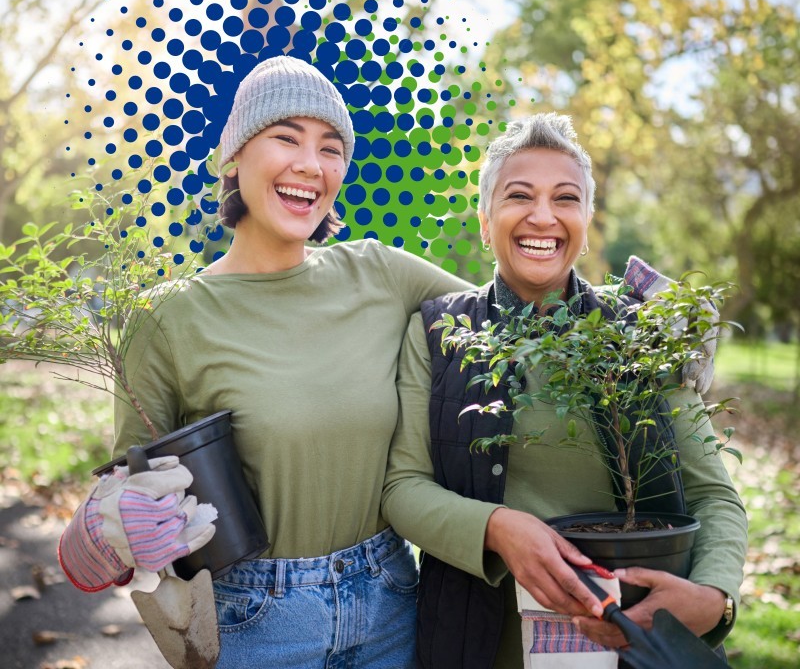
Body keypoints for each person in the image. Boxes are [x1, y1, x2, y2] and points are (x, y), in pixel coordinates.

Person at [56, 60, 718, 668]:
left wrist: (651, 323)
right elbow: (130, 494)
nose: (310, 165)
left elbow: (517, 304)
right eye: (287, 138)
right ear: (233, 155)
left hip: (393, 606)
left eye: (331, 148)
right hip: (257, 619)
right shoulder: (165, 318)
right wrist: (102, 536)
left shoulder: (379, 271)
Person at [381, 113, 747, 668]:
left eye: (566, 198)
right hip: (476, 638)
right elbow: (403, 486)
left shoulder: (643, 331)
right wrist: (497, 529)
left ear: (587, 220)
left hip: (635, 635)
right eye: (519, 195)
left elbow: (711, 494)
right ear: (485, 222)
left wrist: (714, 595)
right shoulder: (436, 333)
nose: (543, 216)